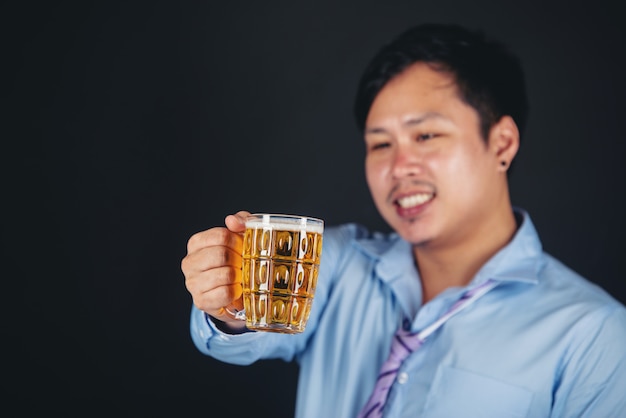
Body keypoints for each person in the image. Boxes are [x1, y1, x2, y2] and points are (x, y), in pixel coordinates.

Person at [181, 23, 626, 417]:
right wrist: (231, 304)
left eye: (426, 135)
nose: (398, 167)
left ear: (502, 143)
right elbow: (245, 334)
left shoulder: (594, 335)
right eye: (379, 144)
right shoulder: (333, 265)